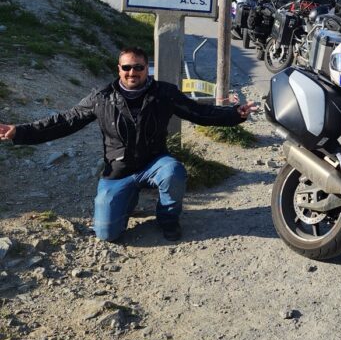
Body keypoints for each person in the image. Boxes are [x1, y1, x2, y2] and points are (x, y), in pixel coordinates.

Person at [0, 47, 258, 242]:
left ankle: (168, 218)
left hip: (155, 162)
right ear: (119, 69)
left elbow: (198, 113)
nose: (132, 72)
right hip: (118, 171)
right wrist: (19, 132)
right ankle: (127, 198)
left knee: (174, 171)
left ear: (147, 69)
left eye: (138, 67)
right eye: (127, 67)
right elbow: (64, 122)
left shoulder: (164, 93)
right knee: (106, 234)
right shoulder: (101, 98)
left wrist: (235, 115)